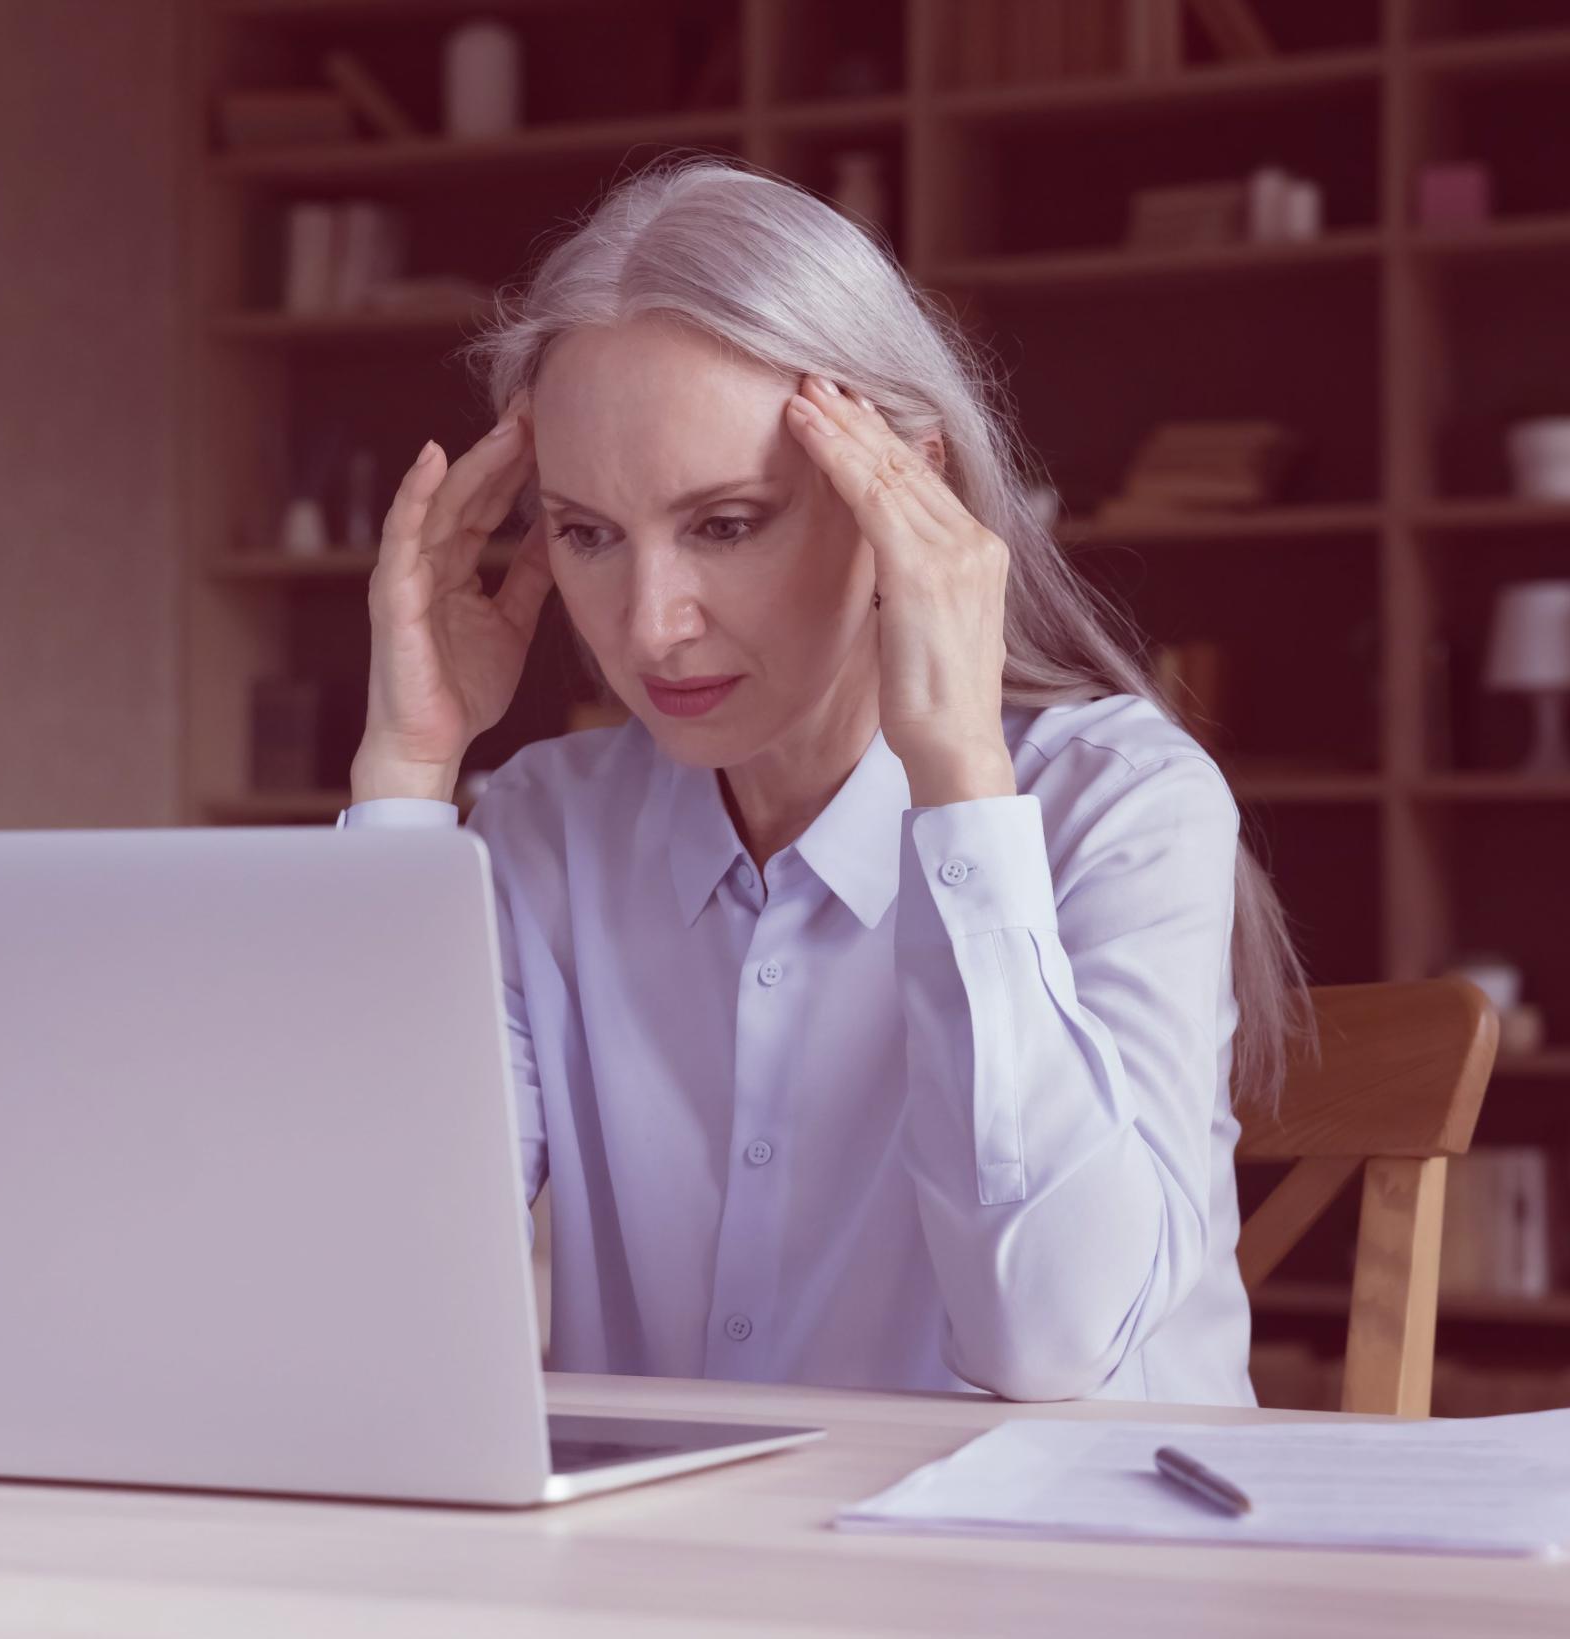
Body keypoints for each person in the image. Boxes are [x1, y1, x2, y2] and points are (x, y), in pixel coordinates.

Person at [342, 157, 1308, 1405]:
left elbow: (1056, 1344)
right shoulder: (544, 826)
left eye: (727, 524)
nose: (650, 626)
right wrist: (409, 770)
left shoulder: (1122, 808)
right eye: (586, 533)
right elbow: (375, 1291)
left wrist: (961, 780)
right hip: (681, 1591)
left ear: (901, 495)